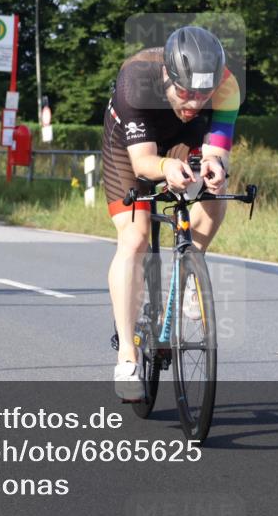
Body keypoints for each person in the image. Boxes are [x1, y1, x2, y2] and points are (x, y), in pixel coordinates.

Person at [101, 25, 241, 400]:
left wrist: (213, 164)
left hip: (183, 138)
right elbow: (144, 162)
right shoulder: (136, 80)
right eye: (185, 93)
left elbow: (217, 148)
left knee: (215, 184)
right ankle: (127, 357)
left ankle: (193, 263)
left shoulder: (227, 87)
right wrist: (165, 168)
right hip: (129, 147)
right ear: (167, 74)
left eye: (203, 95)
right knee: (135, 238)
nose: (194, 103)